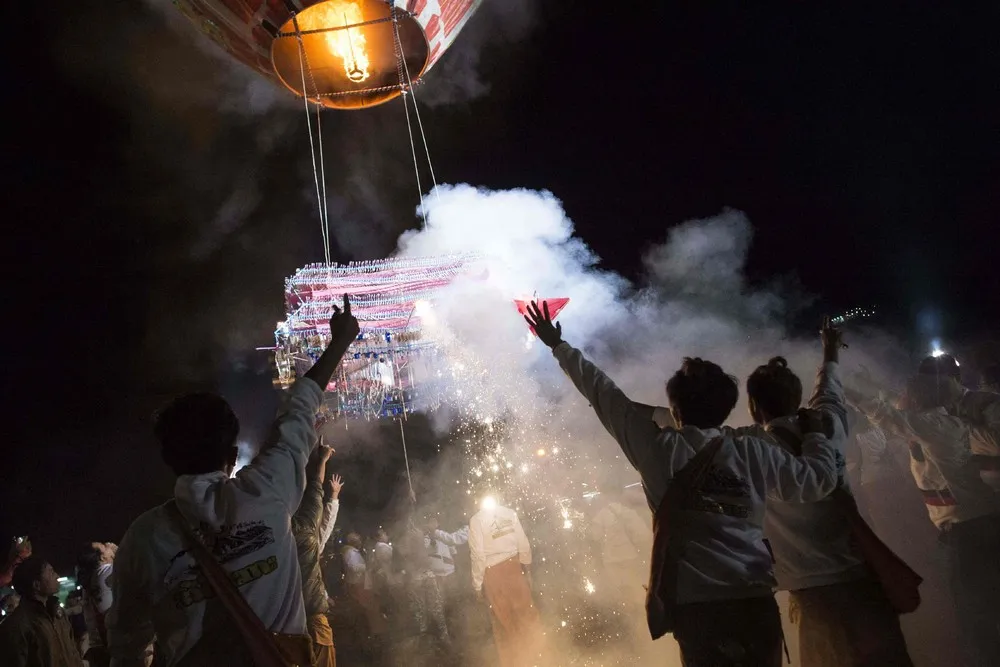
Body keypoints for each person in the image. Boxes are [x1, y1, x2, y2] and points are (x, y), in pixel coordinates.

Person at [524, 301, 841, 667]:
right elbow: (818, 481)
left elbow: (604, 395)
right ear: (727, 407)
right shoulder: (751, 449)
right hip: (753, 601)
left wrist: (558, 346)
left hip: (697, 612)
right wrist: (816, 436)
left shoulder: (657, 450)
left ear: (675, 410)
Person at [106, 294, 359, 667]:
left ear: (168, 459)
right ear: (231, 456)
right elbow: (298, 411)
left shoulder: (143, 539)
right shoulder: (267, 491)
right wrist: (340, 342)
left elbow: (126, 643)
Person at [742, 326, 914, 667]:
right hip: (863, 583)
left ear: (754, 407)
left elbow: (696, 436)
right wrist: (830, 350)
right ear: (796, 397)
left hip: (815, 600)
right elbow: (830, 389)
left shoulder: (751, 448)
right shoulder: (827, 423)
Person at [850, 355, 1000, 667]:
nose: (902, 396)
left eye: (911, 391)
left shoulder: (936, 422)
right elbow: (893, 406)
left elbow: (887, 414)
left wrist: (845, 388)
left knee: (977, 616)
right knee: (977, 608)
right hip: (968, 524)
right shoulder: (933, 420)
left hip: (970, 528)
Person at [468, 495, 540, 667]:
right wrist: (527, 571)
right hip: (514, 568)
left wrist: (477, 584)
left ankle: (515, 661)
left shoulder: (477, 520)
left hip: (493, 574)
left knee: (503, 620)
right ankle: (540, 654)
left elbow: (478, 555)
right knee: (528, 614)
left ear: (476, 499)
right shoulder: (509, 513)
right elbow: (524, 544)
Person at [291, 442, 343, 667]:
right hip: (311, 620)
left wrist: (333, 497)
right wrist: (322, 461)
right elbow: (315, 487)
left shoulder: (272, 538)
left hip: (282, 623)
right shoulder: (305, 533)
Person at [0, 555, 85, 667]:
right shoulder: (16, 626)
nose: (57, 576)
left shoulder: (58, 614)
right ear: (36, 585)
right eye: (51, 572)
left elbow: (73, 653)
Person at [588, 489, 651, 616]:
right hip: (630, 557)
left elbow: (594, 536)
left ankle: (624, 616)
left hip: (611, 561)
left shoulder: (602, 515)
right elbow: (644, 536)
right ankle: (640, 612)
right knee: (635, 587)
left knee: (618, 592)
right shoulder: (629, 513)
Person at [76, 541, 117, 667]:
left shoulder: (92, 579)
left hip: (102, 647)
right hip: (116, 646)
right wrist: (119, 551)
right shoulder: (107, 572)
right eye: (105, 546)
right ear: (102, 557)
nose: (109, 544)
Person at [342, 531, 386, 640]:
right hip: (357, 583)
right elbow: (353, 567)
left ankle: (369, 631)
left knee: (366, 607)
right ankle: (372, 632)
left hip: (359, 583)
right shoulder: (350, 552)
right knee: (368, 607)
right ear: (353, 542)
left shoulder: (352, 551)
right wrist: (367, 567)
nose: (360, 542)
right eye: (358, 540)